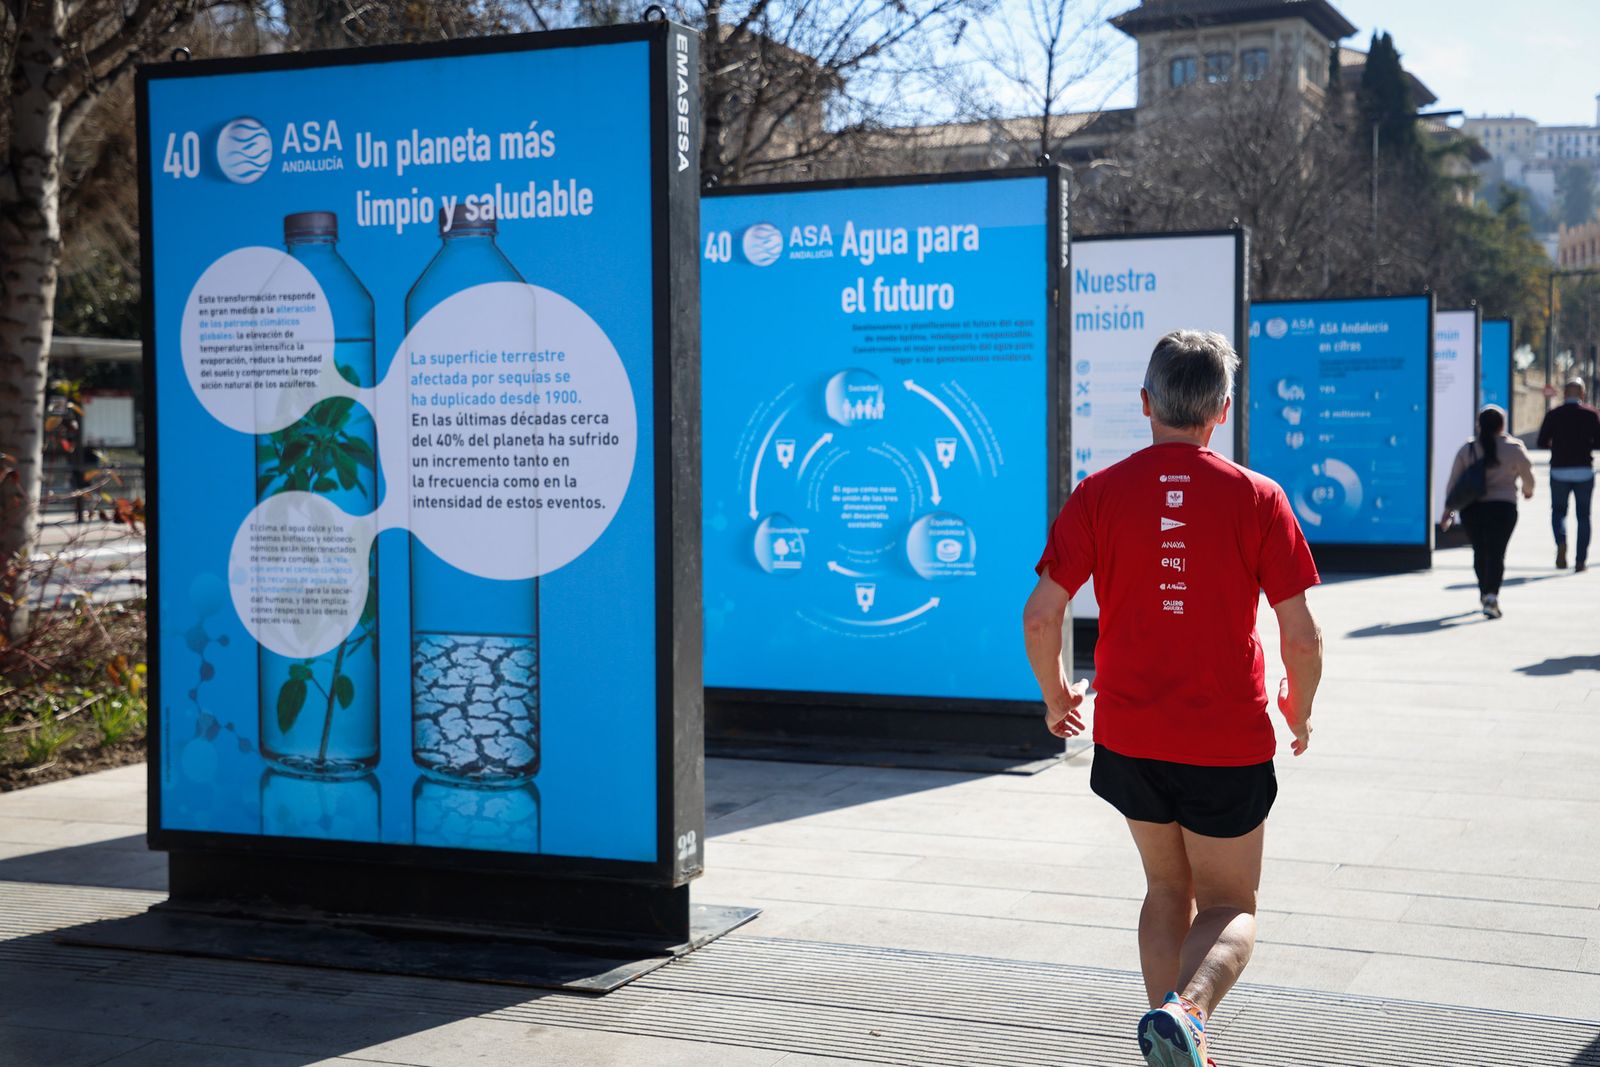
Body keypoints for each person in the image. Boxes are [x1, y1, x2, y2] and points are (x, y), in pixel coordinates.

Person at [1022, 330, 1322, 1067]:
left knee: (1165, 887)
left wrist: (1056, 695)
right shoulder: (1259, 497)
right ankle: (1187, 1014)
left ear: (1148, 403)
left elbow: (1041, 613)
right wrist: (1300, 709)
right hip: (1225, 741)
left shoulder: (1099, 494)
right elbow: (1302, 637)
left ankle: (1175, 1045)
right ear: (1222, 410)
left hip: (1129, 736)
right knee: (1231, 904)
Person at [1444, 406, 1535, 618]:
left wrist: (1448, 511)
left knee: (1479, 550)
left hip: (1472, 509)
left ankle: (1484, 591)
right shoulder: (1514, 448)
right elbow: (1528, 477)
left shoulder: (1468, 449)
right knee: (1497, 552)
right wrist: (1527, 491)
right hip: (1504, 508)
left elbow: (1454, 481)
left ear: (1479, 424)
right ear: (1502, 425)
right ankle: (1492, 596)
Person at [1535, 377, 1600, 571]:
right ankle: (1580, 561)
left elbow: (1541, 441)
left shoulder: (1554, 414)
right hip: (1584, 471)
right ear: (1583, 393)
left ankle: (1561, 541)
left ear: (1564, 393)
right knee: (1583, 516)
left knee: (1558, 512)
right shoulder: (1591, 414)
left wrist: (1557, 445)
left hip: (1559, 470)